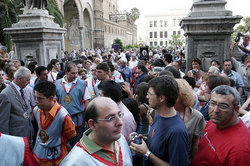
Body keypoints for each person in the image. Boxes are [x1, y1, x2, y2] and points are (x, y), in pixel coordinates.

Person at [130, 76, 189, 166]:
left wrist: (146, 153)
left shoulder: (177, 132)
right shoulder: (159, 116)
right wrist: (142, 140)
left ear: (161, 98)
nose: (147, 97)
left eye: (150, 94)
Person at [60, 97, 133, 166]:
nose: (120, 123)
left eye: (119, 115)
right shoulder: (75, 162)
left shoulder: (120, 139)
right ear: (92, 124)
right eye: (110, 118)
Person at [192, 85, 250, 165]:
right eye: (212, 103)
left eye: (223, 106)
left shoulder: (241, 149)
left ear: (236, 109)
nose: (215, 110)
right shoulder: (214, 122)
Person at [33, 81, 76, 165]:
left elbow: (71, 134)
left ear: (50, 98)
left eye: (40, 98)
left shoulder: (63, 116)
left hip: (56, 157)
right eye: (35, 97)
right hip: (39, 152)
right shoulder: (36, 110)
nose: (36, 101)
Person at [55, 62, 91, 146]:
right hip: (62, 118)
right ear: (66, 72)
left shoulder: (82, 84)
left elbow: (87, 101)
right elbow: (54, 101)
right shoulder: (57, 83)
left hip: (77, 118)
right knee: (64, 142)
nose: (75, 76)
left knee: (77, 142)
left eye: (76, 73)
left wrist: (88, 117)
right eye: (73, 73)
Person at [174, 79, 206, 164]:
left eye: (174, 93)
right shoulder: (160, 112)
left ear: (183, 95)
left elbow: (195, 145)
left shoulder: (196, 117)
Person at [0, 67, 33, 148]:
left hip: (27, 134)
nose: (29, 83)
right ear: (19, 79)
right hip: (15, 138)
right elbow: (3, 122)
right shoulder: (5, 94)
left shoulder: (24, 89)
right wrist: (6, 142)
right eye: (27, 80)